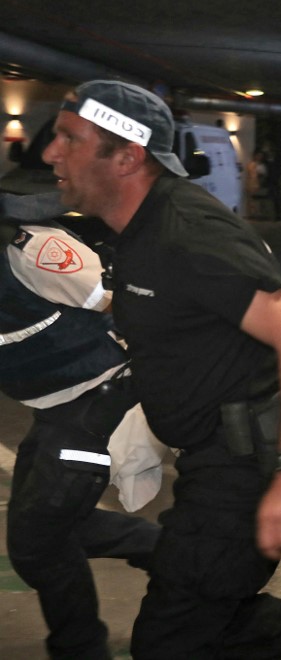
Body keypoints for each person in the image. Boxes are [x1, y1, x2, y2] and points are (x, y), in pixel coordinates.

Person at [39, 79, 281, 659]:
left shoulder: (187, 231)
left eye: (69, 139)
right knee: (212, 620)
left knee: (171, 639)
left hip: (243, 474)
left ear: (128, 155)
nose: (50, 152)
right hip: (212, 467)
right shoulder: (137, 231)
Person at [0, 194, 160, 660]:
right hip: (57, 407)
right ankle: (185, 553)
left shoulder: (34, 249)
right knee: (56, 530)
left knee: (38, 542)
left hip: (100, 401)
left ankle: (81, 648)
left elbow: (121, 303)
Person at [245, 150, 268, 219]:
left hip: (259, 184)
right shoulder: (252, 164)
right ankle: (253, 214)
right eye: (258, 155)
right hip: (252, 184)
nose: (259, 157)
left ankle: (259, 213)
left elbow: (264, 175)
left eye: (260, 156)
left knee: (259, 200)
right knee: (252, 200)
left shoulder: (262, 165)